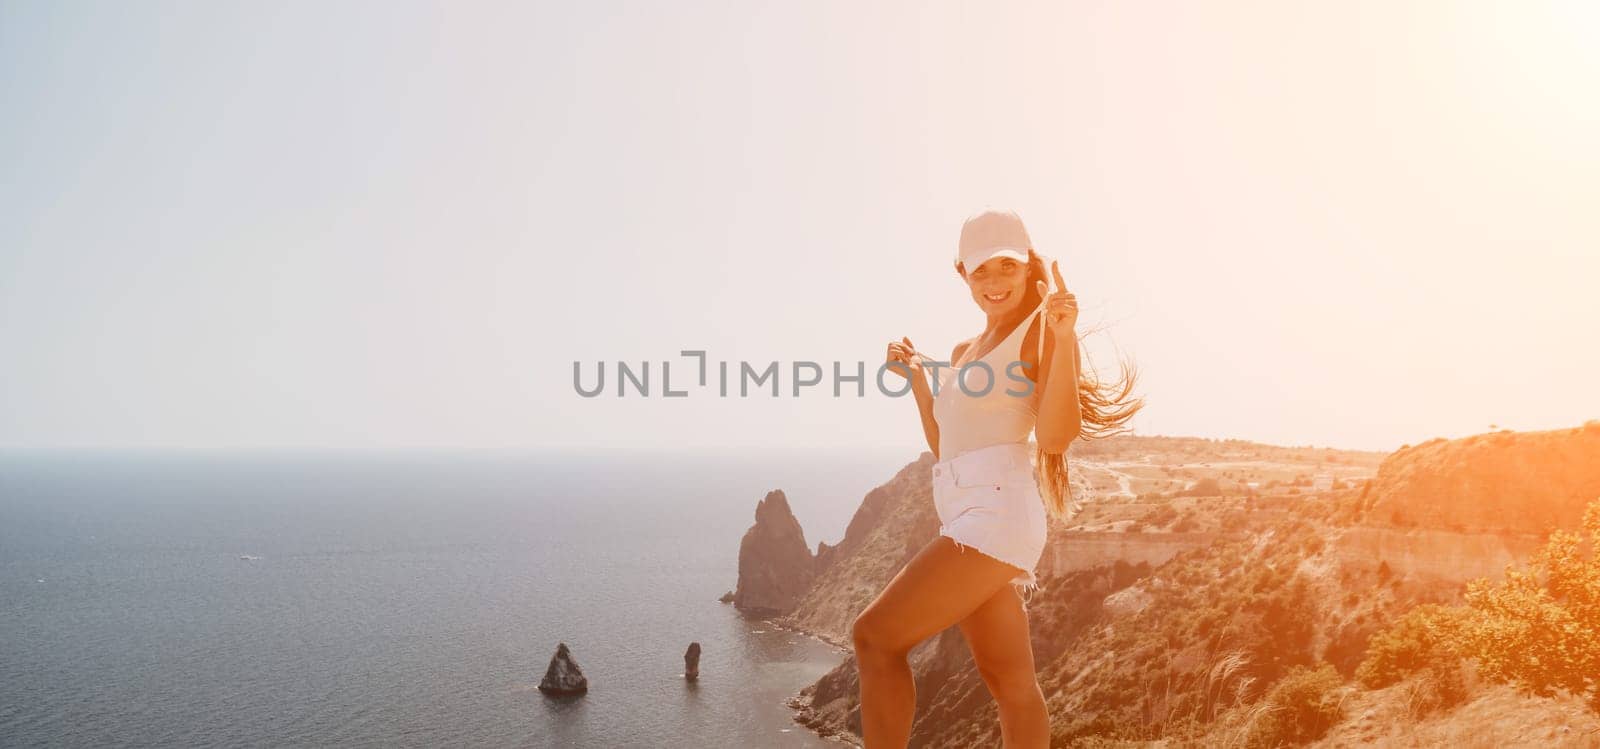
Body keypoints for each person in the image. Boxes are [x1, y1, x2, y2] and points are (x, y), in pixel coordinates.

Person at [855, 208, 1143, 747]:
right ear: (961, 274)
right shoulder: (966, 352)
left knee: (873, 638)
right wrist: (920, 381)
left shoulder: (1041, 335)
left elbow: (1055, 438)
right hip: (968, 508)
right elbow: (948, 447)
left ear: (1030, 267)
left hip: (997, 515)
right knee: (1011, 682)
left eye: (1007, 267)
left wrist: (1066, 338)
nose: (994, 281)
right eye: (980, 270)